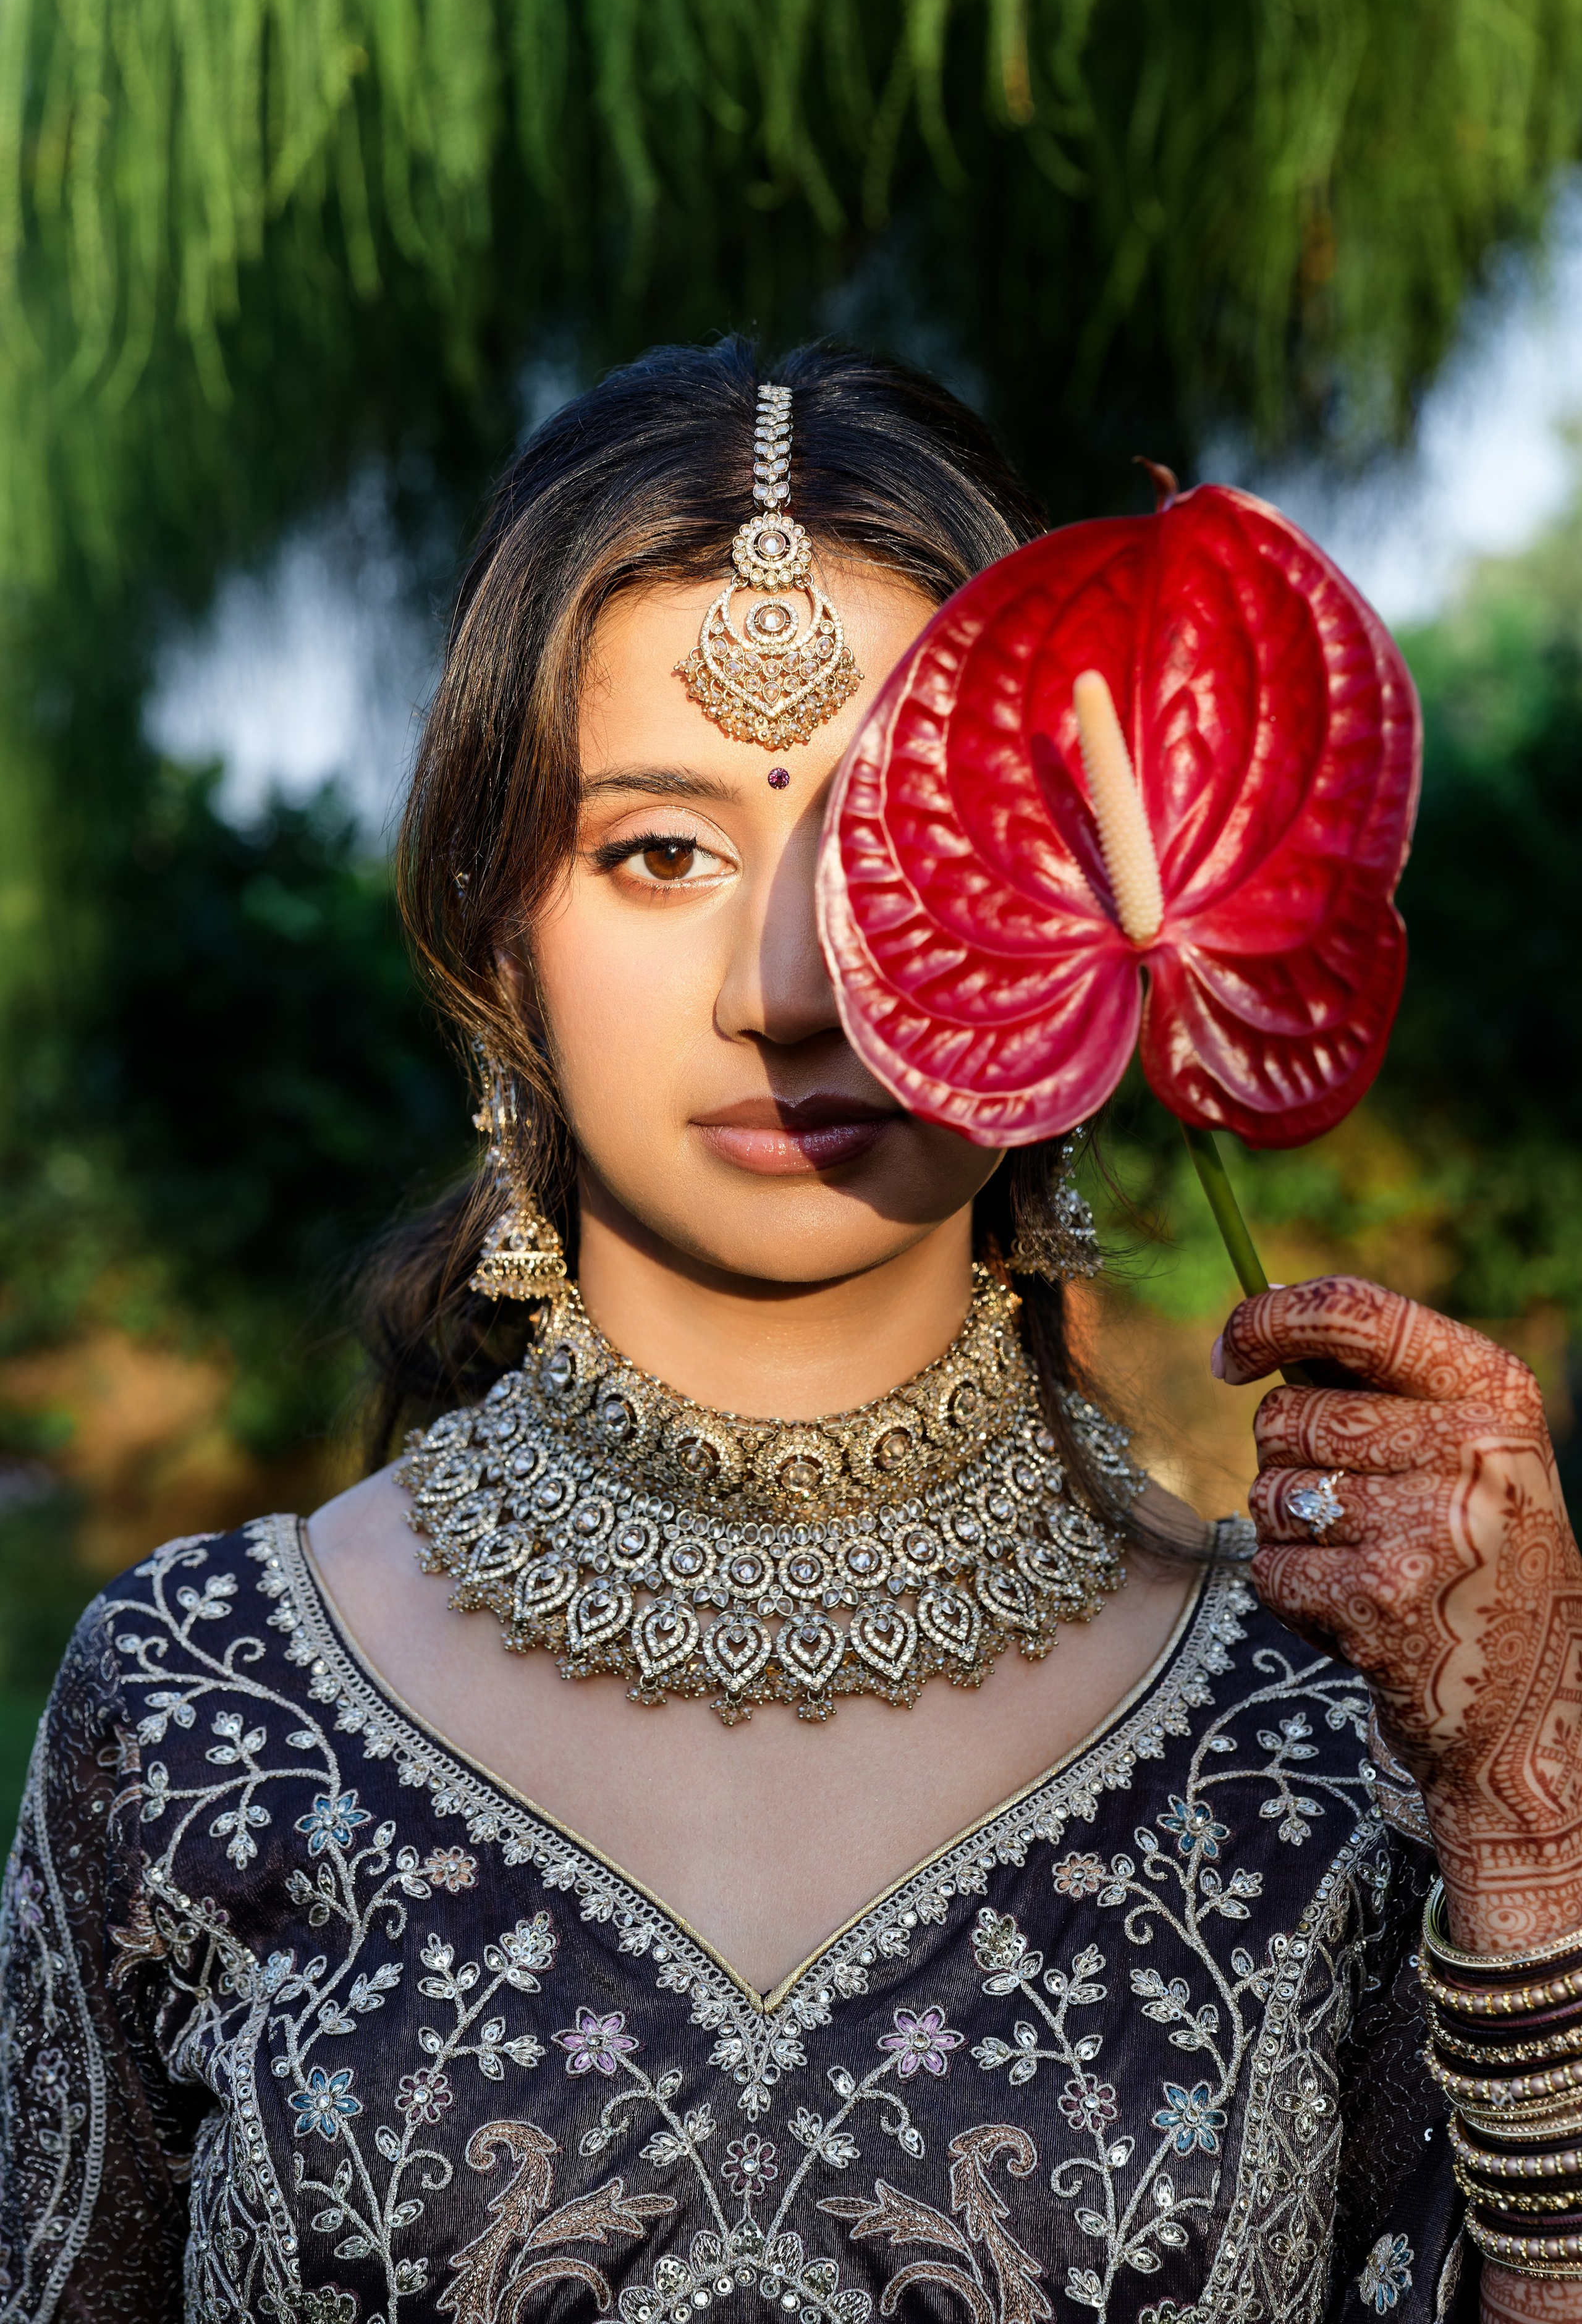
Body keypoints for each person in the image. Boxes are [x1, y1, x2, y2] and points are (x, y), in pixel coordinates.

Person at [2, 341, 1580, 2324]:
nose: (787, 986)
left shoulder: (1326, 1725)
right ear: (501, 929)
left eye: (887, 850)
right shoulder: (193, 1710)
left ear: (1094, 899)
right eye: (657, 851)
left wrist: (1527, 1826)